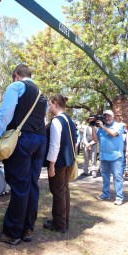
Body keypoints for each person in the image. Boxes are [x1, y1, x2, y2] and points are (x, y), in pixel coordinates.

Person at [0, 64, 47, 245]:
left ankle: (12, 233)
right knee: (31, 185)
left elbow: (5, 113)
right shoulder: (42, 96)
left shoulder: (16, 86)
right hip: (40, 140)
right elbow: (42, 120)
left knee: (20, 186)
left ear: (16, 75)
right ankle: (27, 228)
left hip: (22, 140)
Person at [43, 95, 76, 233]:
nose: (49, 108)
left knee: (58, 192)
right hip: (68, 160)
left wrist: (51, 165)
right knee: (63, 191)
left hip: (59, 162)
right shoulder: (69, 120)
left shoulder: (57, 121)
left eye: (50, 105)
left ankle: (59, 224)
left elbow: (54, 145)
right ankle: (63, 221)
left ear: (56, 104)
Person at [91, 110, 124, 205]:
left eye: (109, 116)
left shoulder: (119, 125)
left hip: (116, 156)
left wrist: (102, 126)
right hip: (104, 156)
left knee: (117, 177)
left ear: (113, 116)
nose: (107, 118)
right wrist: (92, 126)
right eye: (105, 116)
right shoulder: (101, 128)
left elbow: (113, 134)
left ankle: (119, 197)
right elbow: (95, 139)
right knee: (105, 176)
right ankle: (106, 194)